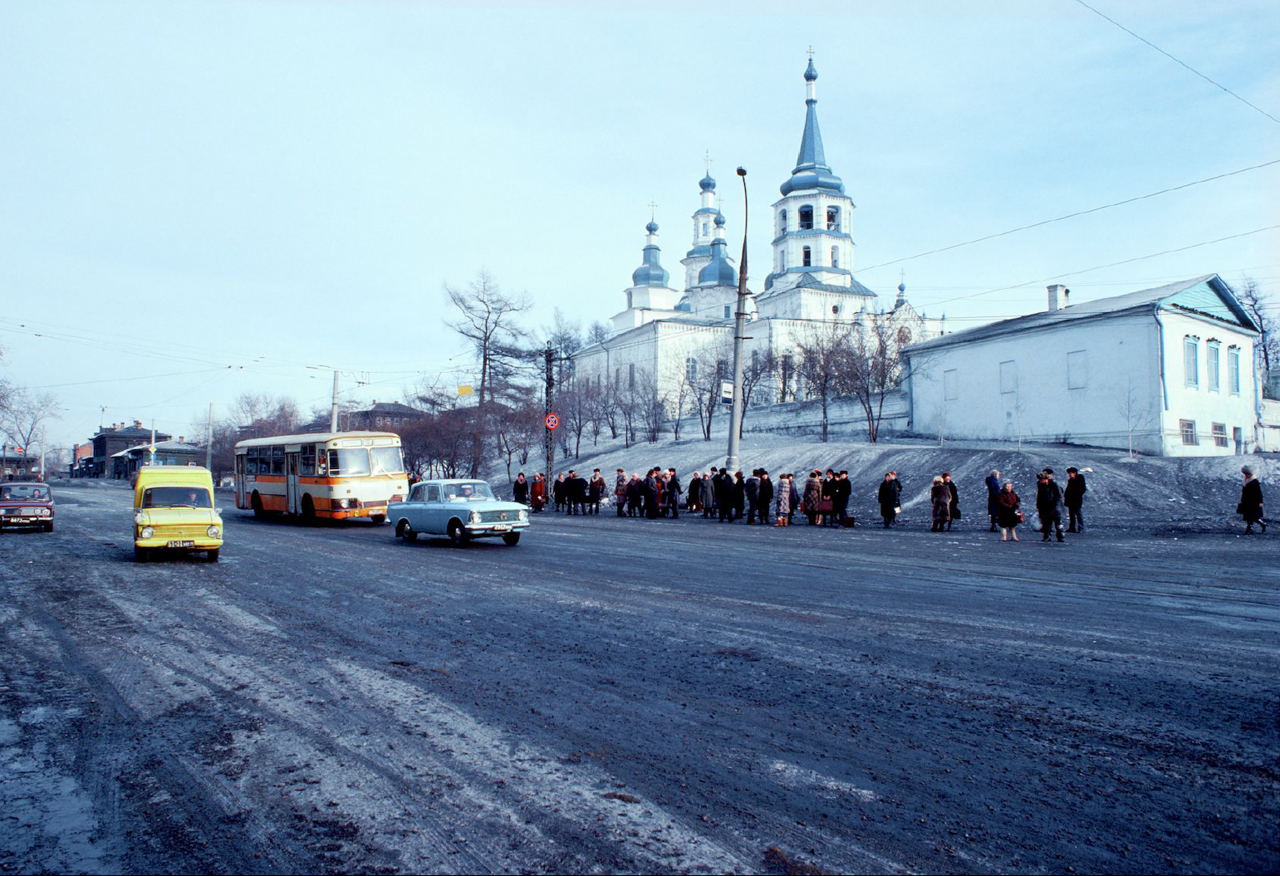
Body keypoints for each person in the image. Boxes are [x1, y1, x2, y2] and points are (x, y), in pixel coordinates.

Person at [1036, 469, 1065, 542]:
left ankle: (1060, 536)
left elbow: (1059, 496)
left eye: (1041, 479)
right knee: (1046, 522)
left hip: (1055, 507)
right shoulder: (1040, 485)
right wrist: (1039, 505)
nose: (1040, 481)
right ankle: (1047, 536)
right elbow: (1040, 496)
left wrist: (1056, 506)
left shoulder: (1054, 485)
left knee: (1058, 523)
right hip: (1045, 507)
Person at [1239, 466, 1267, 534]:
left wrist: (1260, 501)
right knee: (1250, 516)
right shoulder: (1246, 480)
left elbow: (1258, 493)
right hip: (1247, 501)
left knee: (1253, 516)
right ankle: (1252, 527)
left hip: (1254, 502)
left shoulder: (1254, 481)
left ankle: (1253, 527)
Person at [1064, 467, 1087, 533]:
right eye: (1069, 473)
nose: (1070, 475)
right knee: (1071, 515)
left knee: (1078, 514)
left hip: (1077, 500)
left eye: (1071, 473)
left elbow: (1083, 488)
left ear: (1074, 473)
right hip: (1071, 500)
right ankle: (1072, 528)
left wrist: (1078, 495)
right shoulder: (1070, 480)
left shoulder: (1079, 478)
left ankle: (1081, 528)